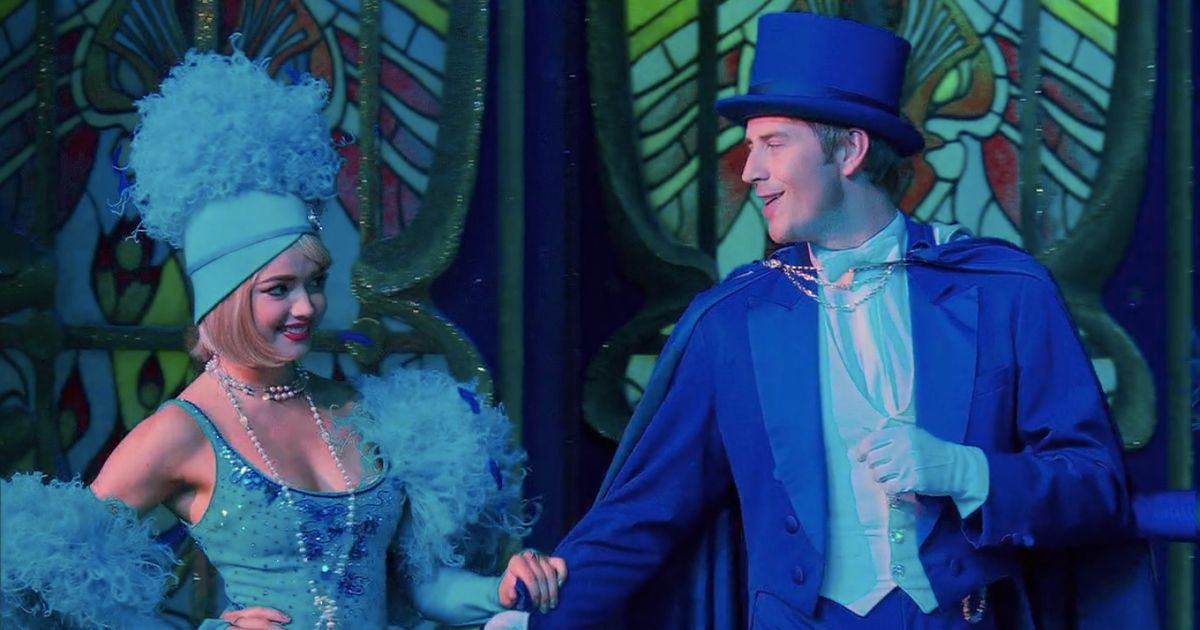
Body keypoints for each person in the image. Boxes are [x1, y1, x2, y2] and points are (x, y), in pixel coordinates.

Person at [488, 11, 1135, 630]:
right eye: (750, 147)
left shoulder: (1004, 293)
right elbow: (647, 510)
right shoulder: (731, 322)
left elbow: (1097, 487)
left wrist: (967, 472)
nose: (751, 171)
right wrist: (542, 605)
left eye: (773, 144)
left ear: (849, 150)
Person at [0, 45, 565, 629]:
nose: (307, 307)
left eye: (315, 283)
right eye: (279, 289)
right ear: (224, 298)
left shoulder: (362, 410)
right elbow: (47, 584)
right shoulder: (179, 432)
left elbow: (427, 588)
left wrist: (502, 590)